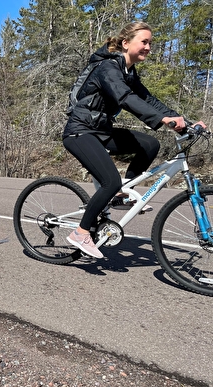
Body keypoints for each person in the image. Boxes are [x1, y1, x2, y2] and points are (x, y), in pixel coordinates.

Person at [62, 22, 207, 259]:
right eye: (145, 42)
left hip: (101, 130)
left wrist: (187, 123)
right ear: (126, 43)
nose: (149, 47)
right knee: (110, 181)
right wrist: (163, 120)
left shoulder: (129, 73)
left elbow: (150, 101)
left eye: (151, 43)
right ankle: (80, 233)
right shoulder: (108, 68)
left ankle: (125, 191)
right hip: (80, 132)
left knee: (150, 145)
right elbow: (125, 98)